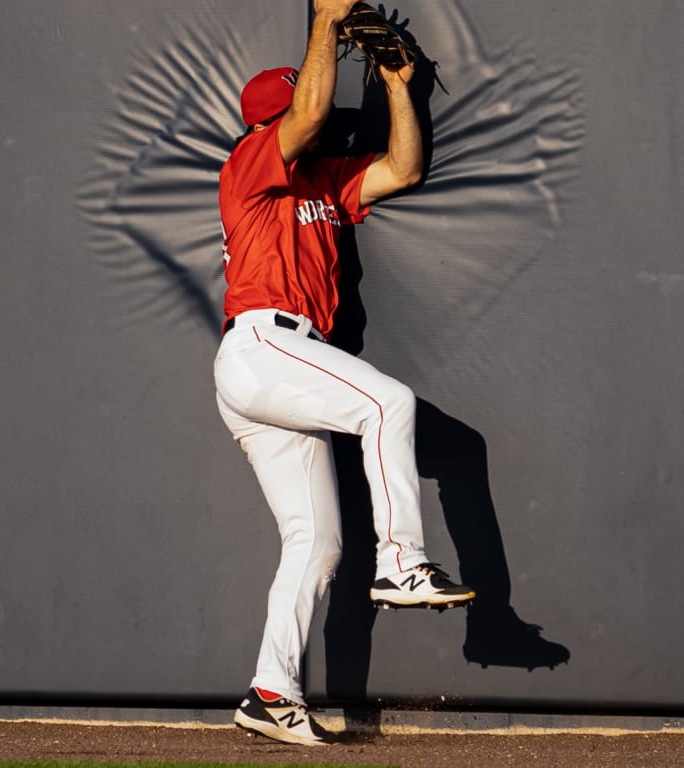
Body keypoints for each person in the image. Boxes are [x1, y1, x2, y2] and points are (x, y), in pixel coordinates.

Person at [214, 0, 474, 747]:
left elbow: (405, 168)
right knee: (386, 402)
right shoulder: (250, 164)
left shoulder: (324, 184)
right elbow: (309, 110)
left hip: (277, 369)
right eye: (297, 105)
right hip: (264, 343)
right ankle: (402, 562)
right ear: (271, 121)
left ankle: (271, 693)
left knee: (316, 544)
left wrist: (397, 85)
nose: (314, 115)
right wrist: (326, 19)